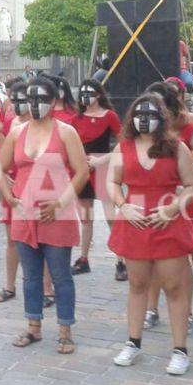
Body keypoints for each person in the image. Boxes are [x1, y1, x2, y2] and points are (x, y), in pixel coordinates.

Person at [0, 77, 89, 355]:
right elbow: (0, 168)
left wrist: (60, 203)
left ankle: (65, 331)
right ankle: (33, 326)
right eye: (30, 99)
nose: (35, 105)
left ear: (53, 100)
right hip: (25, 213)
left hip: (57, 214)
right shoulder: (17, 132)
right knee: (30, 276)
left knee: (61, 275)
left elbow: (82, 172)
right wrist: (8, 195)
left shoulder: (66, 132)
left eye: (41, 99)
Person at [109, 94, 193, 375]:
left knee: (174, 287)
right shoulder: (123, 147)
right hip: (135, 224)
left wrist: (172, 208)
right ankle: (133, 342)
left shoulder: (177, 147)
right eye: (139, 114)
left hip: (167, 223)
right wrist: (123, 205)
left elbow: (192, 184)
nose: (144, 120)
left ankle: (180, 350)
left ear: (162, 118)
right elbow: (112, 181)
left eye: (150, 115)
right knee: (137, 284)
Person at [141, 83, 193, 334]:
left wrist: (188, 185)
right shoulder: (146, 129)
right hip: (152, 201)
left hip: (182, 202)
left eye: (159, 105)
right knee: (151, 257)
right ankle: (151, 309)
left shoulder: (187, 127)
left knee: (181, 262)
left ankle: (187, 312)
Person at [70, 79, 122, 278]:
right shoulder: (76, 119)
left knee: (111, 217)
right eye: (82, 93)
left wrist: (102, 160)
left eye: (89, 93)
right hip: (83, 170)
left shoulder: (109, 116)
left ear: (98, 94)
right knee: (85, 218)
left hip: (103, 169)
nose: (85, 97)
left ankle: (121, 260)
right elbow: (69, 143)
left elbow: (123, 144)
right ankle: (83, 259)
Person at [0, 82, 29, 304]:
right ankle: (10, 285)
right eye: (14, 100)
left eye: (22, 100)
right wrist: (3, 176)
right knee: (12, 239)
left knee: (39, 240)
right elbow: (3, 153)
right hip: (12, 186)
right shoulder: (10, 121)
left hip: (34, 187)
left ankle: (46, 288)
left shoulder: (43, 124)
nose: (17, 104)